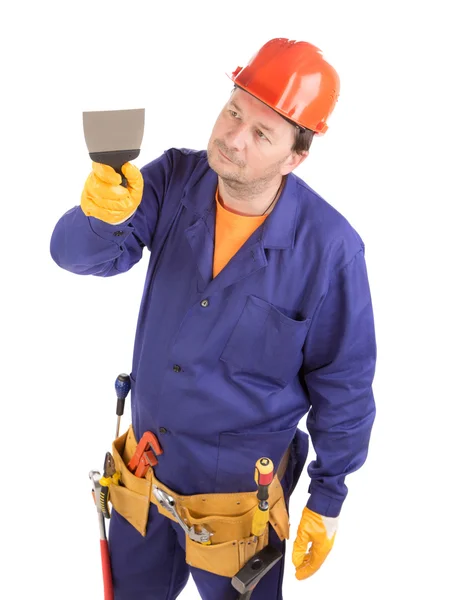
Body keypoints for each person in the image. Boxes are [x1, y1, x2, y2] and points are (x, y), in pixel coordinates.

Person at [50, 38, 376, 600]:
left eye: (261, 133)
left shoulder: (329, 250)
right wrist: (100, 217)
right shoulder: (176, 180)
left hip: (237, 514)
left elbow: (343, 385)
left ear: (296, 157)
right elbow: (78, 256)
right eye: (233, 111)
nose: (231, 138)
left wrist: (329, 496)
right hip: (144, 479)